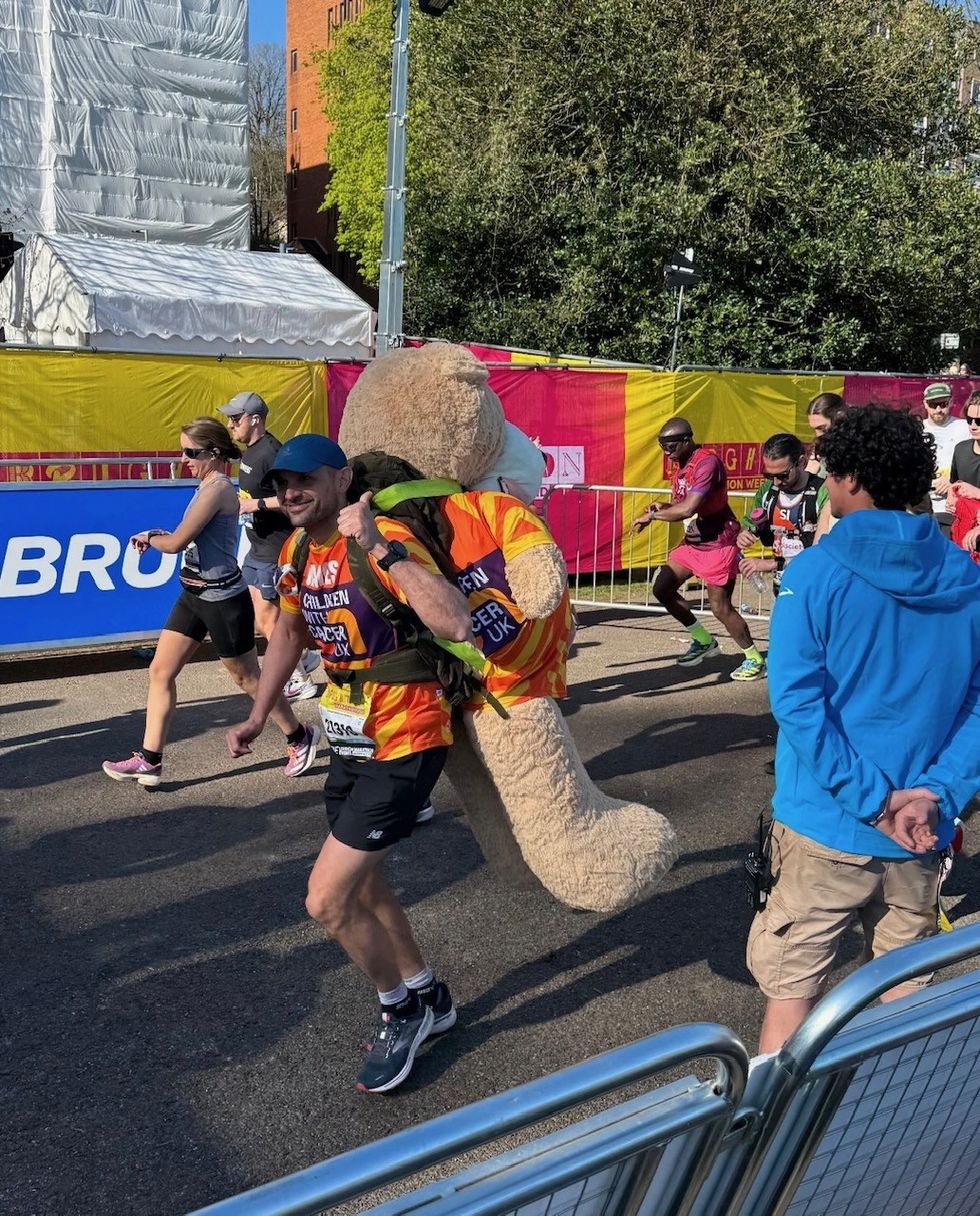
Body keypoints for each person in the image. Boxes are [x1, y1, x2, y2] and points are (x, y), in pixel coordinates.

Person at [225, 434, 472, 1094]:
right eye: (280, 484)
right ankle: (429, 994)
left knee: (327, 900)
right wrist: (260, 713)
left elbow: (454, 622)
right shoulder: (300, 549)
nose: (290, 492)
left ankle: (402, 1011)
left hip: (407, 737)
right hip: (351, 735)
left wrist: (378, 544)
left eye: (304, 479)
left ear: (340, 479)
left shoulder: (381, 536)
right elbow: (289, 632)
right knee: (363, 886)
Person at [747, 405, 980, 1053]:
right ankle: (885, 1140)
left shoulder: (815, 574)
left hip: (825, 821)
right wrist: (936, 792)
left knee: (792, 996)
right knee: (902, 999)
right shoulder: (967, 578)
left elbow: (797, 703)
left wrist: (873, 802)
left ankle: (765, 1141)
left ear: (850, 480)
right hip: (922, 829)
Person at [102, 418, 319, 787]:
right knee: (160, 671)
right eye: (183, 450)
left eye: (191, 452)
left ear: (214, 454)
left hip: (222, 599)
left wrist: (152, 537)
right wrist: (156, 534)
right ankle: (150, 760)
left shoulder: (217, 488)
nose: (184, 458)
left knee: (249, 678)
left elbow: (173, 545)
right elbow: (186, 539)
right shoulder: (205, 483)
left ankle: (299, 736)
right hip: (193, 593)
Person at [632, 417, 765, 681]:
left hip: (718, 542)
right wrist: (663, 505)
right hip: (695, 541)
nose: (666, 452)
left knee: (720, 607)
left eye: (670, 446)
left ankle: (754, 658)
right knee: (663, 587)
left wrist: (654, 517)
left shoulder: (707, 463)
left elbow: (689, 509)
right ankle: (704, 641)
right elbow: (682, 503)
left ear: (686, 441)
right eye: (662, 447)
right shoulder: (681, 463)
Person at [219, 390, 319, 701]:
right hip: (257, 546)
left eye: (236, 418)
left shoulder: (272, 453)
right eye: (230, 418)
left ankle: (298, 678)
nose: (231, 424)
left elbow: (295, 496)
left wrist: (256, 505)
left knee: (268, 618)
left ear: (255, 420)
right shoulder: (250, 451)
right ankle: (302, 658)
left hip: (275, 548)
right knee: (257, 613)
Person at [737, 434, 828, 592]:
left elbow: (823, 551)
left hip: (815, 585)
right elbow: (749, 524)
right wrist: (744, 534)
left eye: (783, 475)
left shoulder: (822, 491)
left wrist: (769, 564)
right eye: (769, 475)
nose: (776, 482)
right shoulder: (768, 490)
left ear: (801, 462)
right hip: (781, 586)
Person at [920, 382, 969, 535]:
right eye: (933, 404)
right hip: (923, 508)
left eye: (943, 404)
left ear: (951, 402)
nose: (939, 409)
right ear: (925, 405)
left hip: (954, 509)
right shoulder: (917, 430)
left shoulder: (964, 428)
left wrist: (952, 479)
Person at [949, 390, 980, 497]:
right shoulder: (960, 450)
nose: (973, 426)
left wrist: (977, 493)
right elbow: (954, 484)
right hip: (962, 513)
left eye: (979, 421)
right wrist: (951, 497)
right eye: (969, 420)